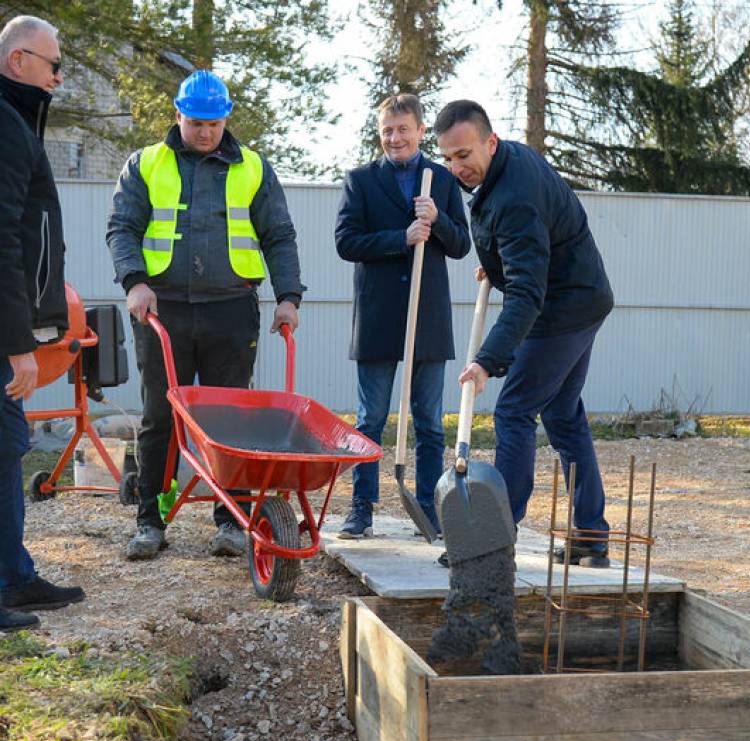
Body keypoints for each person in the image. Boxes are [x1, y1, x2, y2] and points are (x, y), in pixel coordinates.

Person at [107, 70, 304, 561]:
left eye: (214, 123)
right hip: (162, 311)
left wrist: (289, 296)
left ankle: (231, 521)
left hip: (231, 310)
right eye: (196, 122)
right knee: (160, 416)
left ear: (225, 119)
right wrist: (134, 282)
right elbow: (122, 228)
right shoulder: (146, 164)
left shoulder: (254, 168)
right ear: (178, 116)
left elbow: (278, 234)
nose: (206, 132)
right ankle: (149, 521)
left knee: (232, 418)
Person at [435, 100, 614, 567]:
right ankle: (592, 537)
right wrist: (496, 265)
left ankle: (497, 538)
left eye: (465, 154)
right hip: (581, 296)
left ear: (490, 142)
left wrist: (487, 361)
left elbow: (527, 295)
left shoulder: (513, 196)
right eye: (449, 158)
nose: (458, 168)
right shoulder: (507, 163)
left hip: (562, 308)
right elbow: (530, 245)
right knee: (562, 415)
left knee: (514, 410)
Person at [335, 94, 470, 539]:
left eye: (403, 129)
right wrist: (402, 237)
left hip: (427, 318)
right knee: (370, 418)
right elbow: (347, 242)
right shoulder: (360, 181)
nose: (395, 137)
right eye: (388, 130)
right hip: (377, 316)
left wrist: (438, 221)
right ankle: (362, 507)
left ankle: (428, 506)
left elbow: (460, 245)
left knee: (429, 419)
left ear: (419, 130)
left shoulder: (442, 181)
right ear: (381, 133)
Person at [0, 15, 85, 630]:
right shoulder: (4, 124)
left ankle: (14, 578)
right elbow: (2, 241)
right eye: (54, 64)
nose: (59, 76)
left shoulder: (16, 120)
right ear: (18, 61)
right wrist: (16, 343)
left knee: (8, 447)